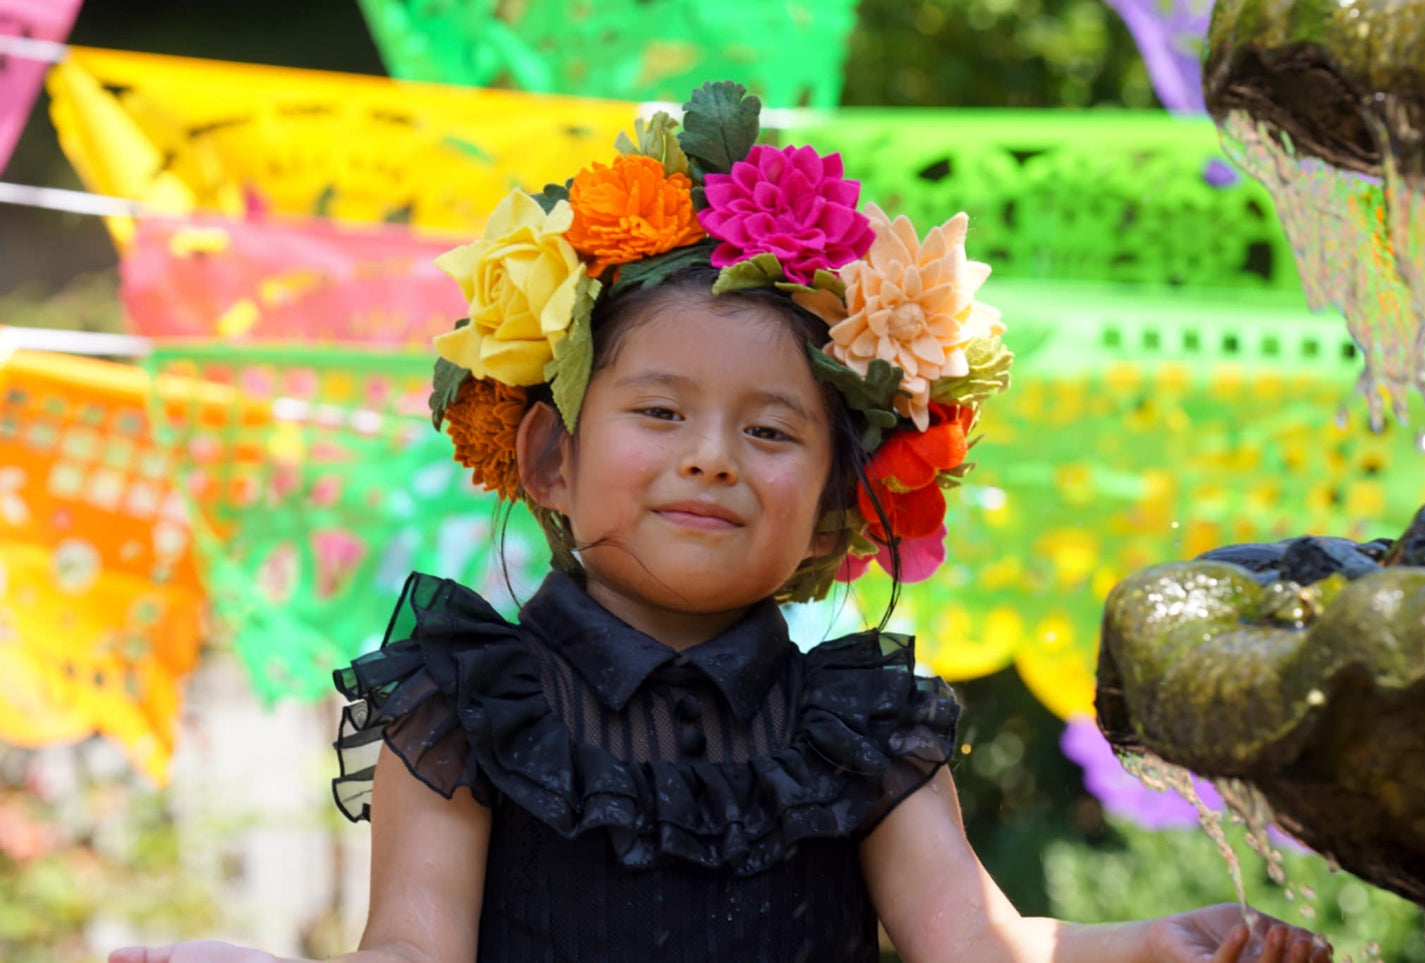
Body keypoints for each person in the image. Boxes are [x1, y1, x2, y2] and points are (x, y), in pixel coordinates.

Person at [110, 83, 1333, 963]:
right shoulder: (469, 700)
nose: (710, 456)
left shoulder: (862, 722)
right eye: (658, 410)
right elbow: (412, 947)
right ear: (548, 456)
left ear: (832, 515)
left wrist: (1154, 946)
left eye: (768, 431)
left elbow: (973, 939)